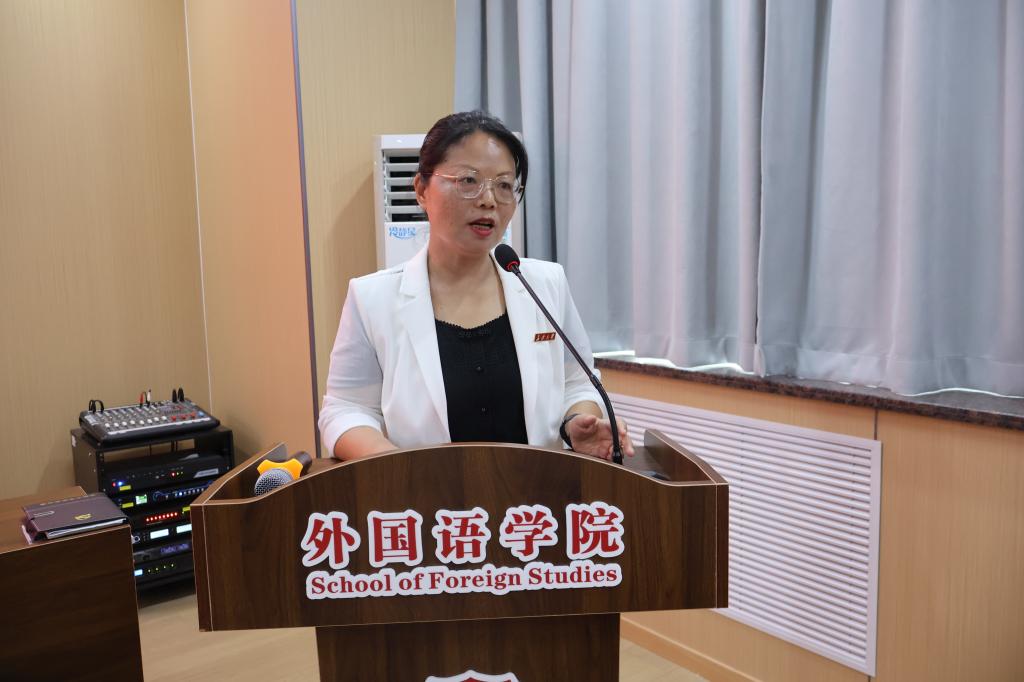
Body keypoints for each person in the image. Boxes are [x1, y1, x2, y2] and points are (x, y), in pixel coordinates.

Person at [318, 110, 633, 462]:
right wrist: (400, 469)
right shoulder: (372, 298)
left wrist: (575, 423)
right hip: (426, 493)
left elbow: (578, 383)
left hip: (535, 493)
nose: (489, 200)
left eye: (504, 185)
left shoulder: (545, 284)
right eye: (468, 181)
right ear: (421, 190)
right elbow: (345, 409)